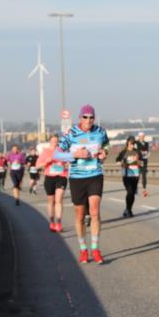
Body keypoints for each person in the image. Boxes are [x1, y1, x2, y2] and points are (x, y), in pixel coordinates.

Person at [60, 104, 110, 264]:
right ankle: (83, 250)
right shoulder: (71, 133)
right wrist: (75, 154)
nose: (88, 120)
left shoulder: (100, 131)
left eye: (91, 117)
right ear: (80, 118)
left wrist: (104, 153)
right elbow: (57, 154)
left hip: (95, 175)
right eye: (85, 117)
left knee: (94, 212)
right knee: (80, 215)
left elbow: (106, 145)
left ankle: (95, 249)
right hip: (77, 178)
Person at [37, 135, 69, 232]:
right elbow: (37, 166)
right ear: (50, 142)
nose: (55, 142)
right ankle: (52, 222)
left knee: (59, 199)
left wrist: (67, 163)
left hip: (61, 176)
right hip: (49, 177)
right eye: (53, 141)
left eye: (56, 141)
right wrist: (46, 162)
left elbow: (69, 161)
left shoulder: (62, 151)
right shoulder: (45, 152)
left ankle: (58, 223)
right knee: (51, 201)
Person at [115, 136, 142, 217]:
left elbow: (142, 163)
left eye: (133, 144)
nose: (132, 145)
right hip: (126, 175)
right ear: (127, 143)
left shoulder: (137, 152)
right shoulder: (123, 152)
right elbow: (117, 161)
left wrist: (137, 160)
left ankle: (128, 209)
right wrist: (122, 164)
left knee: (132, 193)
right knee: (129, 191)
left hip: (135, 175)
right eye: (130, 144)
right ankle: (128, 210)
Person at [135, 131, 151, 197]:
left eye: (143, 136)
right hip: (138, 161)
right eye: (140, 136)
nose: (142, 137)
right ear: (138, 137)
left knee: (144, 175)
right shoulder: (136, 143)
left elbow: (149, 151)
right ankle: (135, 188)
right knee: (137, 175)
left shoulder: (147, 143)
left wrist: (146, 155)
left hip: (144, 161)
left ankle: (144, 189)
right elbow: (134, 151)